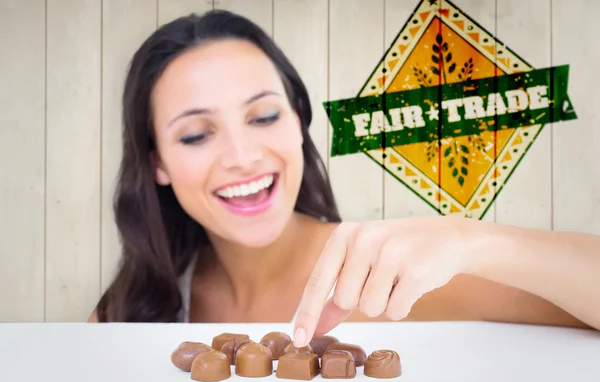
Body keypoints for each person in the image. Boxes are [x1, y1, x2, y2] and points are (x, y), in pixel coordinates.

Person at [88, 10, 600, 348]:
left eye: (264, 117)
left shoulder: (396, 280)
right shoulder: (134, 309)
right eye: (197, 135)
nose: (241, 156)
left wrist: (470, 236)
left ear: (298, 122)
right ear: (156, 162)